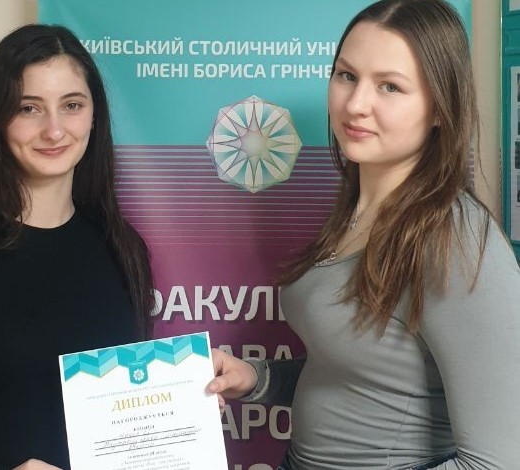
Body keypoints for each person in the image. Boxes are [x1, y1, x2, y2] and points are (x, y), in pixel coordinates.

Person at [209, 0, 520, 468]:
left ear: (440, 107)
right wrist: (256, 378)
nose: (355, 104)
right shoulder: (358, 209)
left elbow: (499, 461)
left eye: (389, 86)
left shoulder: (455, 237)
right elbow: (363, 378)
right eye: (347, 75)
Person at [0, 24, 154, 470]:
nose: (54, 130)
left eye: (71, 105)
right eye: (28, 108)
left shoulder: (121, 245)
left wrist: (184, 413)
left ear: (94, 116)